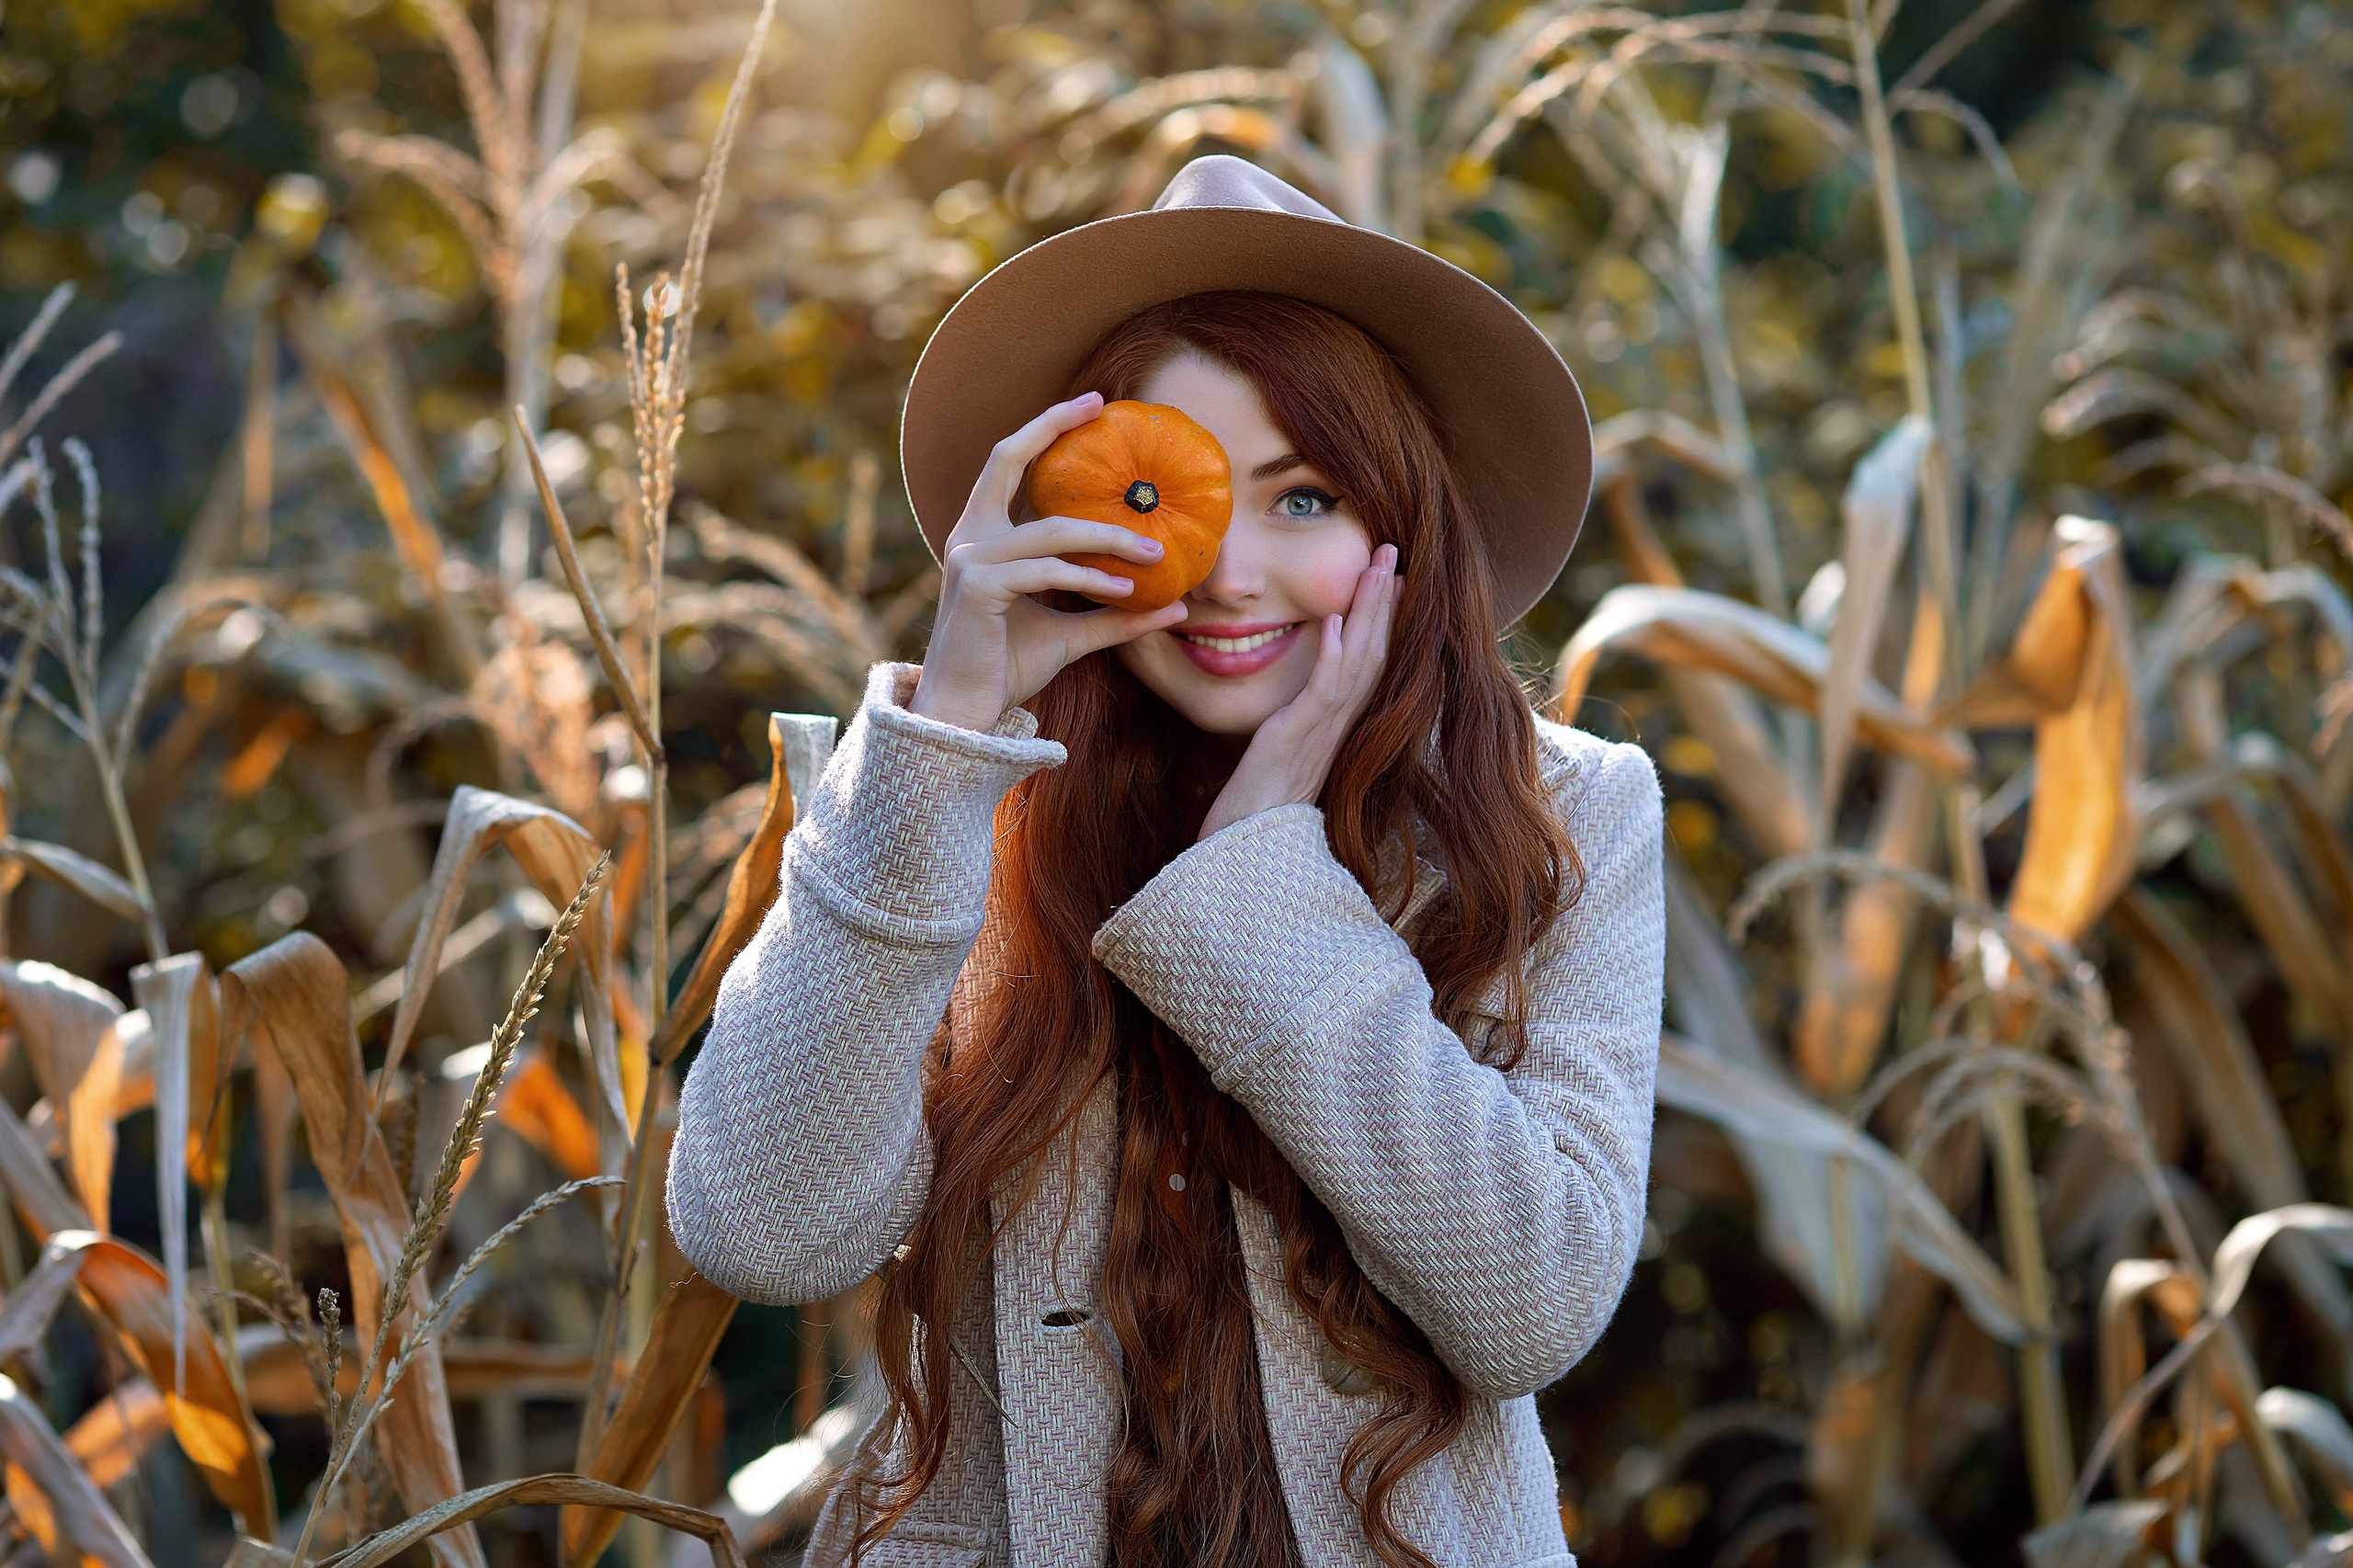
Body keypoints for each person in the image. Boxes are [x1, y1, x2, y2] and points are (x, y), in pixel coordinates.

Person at [666, 155, 1665, 1568]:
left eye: (1303, 496)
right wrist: (947, 734)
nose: (1222, 572)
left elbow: (1534, 1298)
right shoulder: (955, 794)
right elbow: (765, 1227)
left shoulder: (1562, 814)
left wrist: (1263, 870)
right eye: (1164, 493)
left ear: (1404, 525)